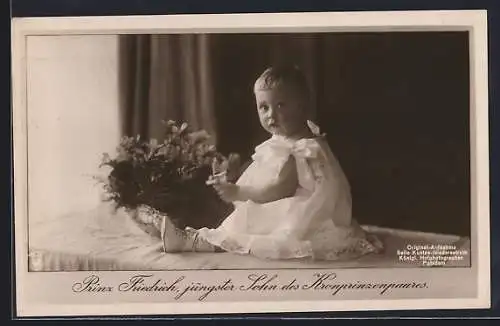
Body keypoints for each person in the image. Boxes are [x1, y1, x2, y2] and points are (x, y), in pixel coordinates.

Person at [158, 65, 384, 261]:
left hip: (300, 212)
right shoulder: (287, 140)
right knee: (242, 215)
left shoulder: (300, 149)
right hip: (289, 202)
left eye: (281, 105)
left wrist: (239, 192)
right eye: (263, 107)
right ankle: (192, 234)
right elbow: (266, 173)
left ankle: (194, 240)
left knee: (246, 221)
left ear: (303, 106)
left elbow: (279, 189)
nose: (270, 115)